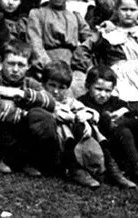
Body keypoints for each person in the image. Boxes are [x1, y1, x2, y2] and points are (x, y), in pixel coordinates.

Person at [0, 39, 58, 176]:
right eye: (11, 64)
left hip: (21, 138)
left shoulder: (30, 83)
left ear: (28, 66)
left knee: (42, 115)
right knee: (9, 110)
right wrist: (25, 114)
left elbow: (50, 102)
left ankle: (28, 161)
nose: (15, 70)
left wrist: (21, 93)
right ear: (1, 62)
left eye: (21, 65)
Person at [78, 64, 138, 188]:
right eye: (98, 89)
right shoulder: (82, 102)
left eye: (108, 91)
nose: (103, 94)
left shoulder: (113, 102)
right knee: (121, 130)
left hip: (118, 144)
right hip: (101, 146)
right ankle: (130, 170)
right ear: (87, 86)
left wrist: (124, 109)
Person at [41, 59, 104, 188]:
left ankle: (94, 164)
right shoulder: (41, 98)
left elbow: (91, 113)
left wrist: (86, 116)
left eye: (62, 88)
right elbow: (59, 114)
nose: (56, 91)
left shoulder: (67, 101)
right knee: (64, 125)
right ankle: (75, 168)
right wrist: (73, 117)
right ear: (43, 84)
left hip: (65, 144)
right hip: (48, 145)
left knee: (84, 126)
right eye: (52, 85)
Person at [26, 0, 92, 75]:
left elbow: (90, 39)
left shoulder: (75, 16)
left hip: (72, 65)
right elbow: (35, 44)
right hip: (46, 65)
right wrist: (49, 67)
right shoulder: (37, 14)